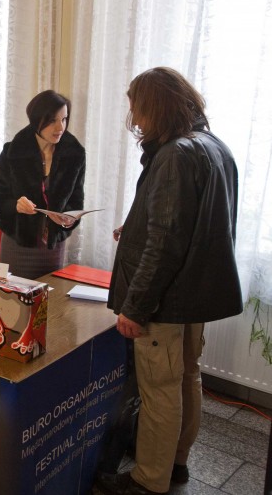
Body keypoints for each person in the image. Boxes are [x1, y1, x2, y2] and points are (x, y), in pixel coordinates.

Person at [100, 67, 242, 495]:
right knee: (187, 377)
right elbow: (192, 223)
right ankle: (176, 463)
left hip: (166, 299)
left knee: (159, 389)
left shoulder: (176, 154)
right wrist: (134, 228)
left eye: (138, 110)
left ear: (155, 107)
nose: (136, 121)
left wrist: (135, 307)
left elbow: (165, 243)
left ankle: (149, 480)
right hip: (195, 296)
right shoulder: (213, 145)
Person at [0, 90, 86, 279]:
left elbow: (76, 202)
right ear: (36, 120)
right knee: (13, 295)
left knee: (49, 295)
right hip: (18, 244)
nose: (60, 127)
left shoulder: (75, 155)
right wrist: (16, 205)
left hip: (52, 246)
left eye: (64, 119)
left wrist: (69, 219)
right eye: (53, 120)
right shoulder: (12, 152)